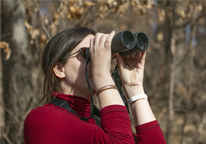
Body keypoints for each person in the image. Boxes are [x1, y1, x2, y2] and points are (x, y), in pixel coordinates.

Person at [24, 27, 166, 144]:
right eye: (88, 54)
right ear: (60, 69)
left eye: (97, 54)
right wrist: (102, 73)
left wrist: (134, 88)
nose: (98, 62)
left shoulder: (101, 119)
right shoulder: (42, 118)